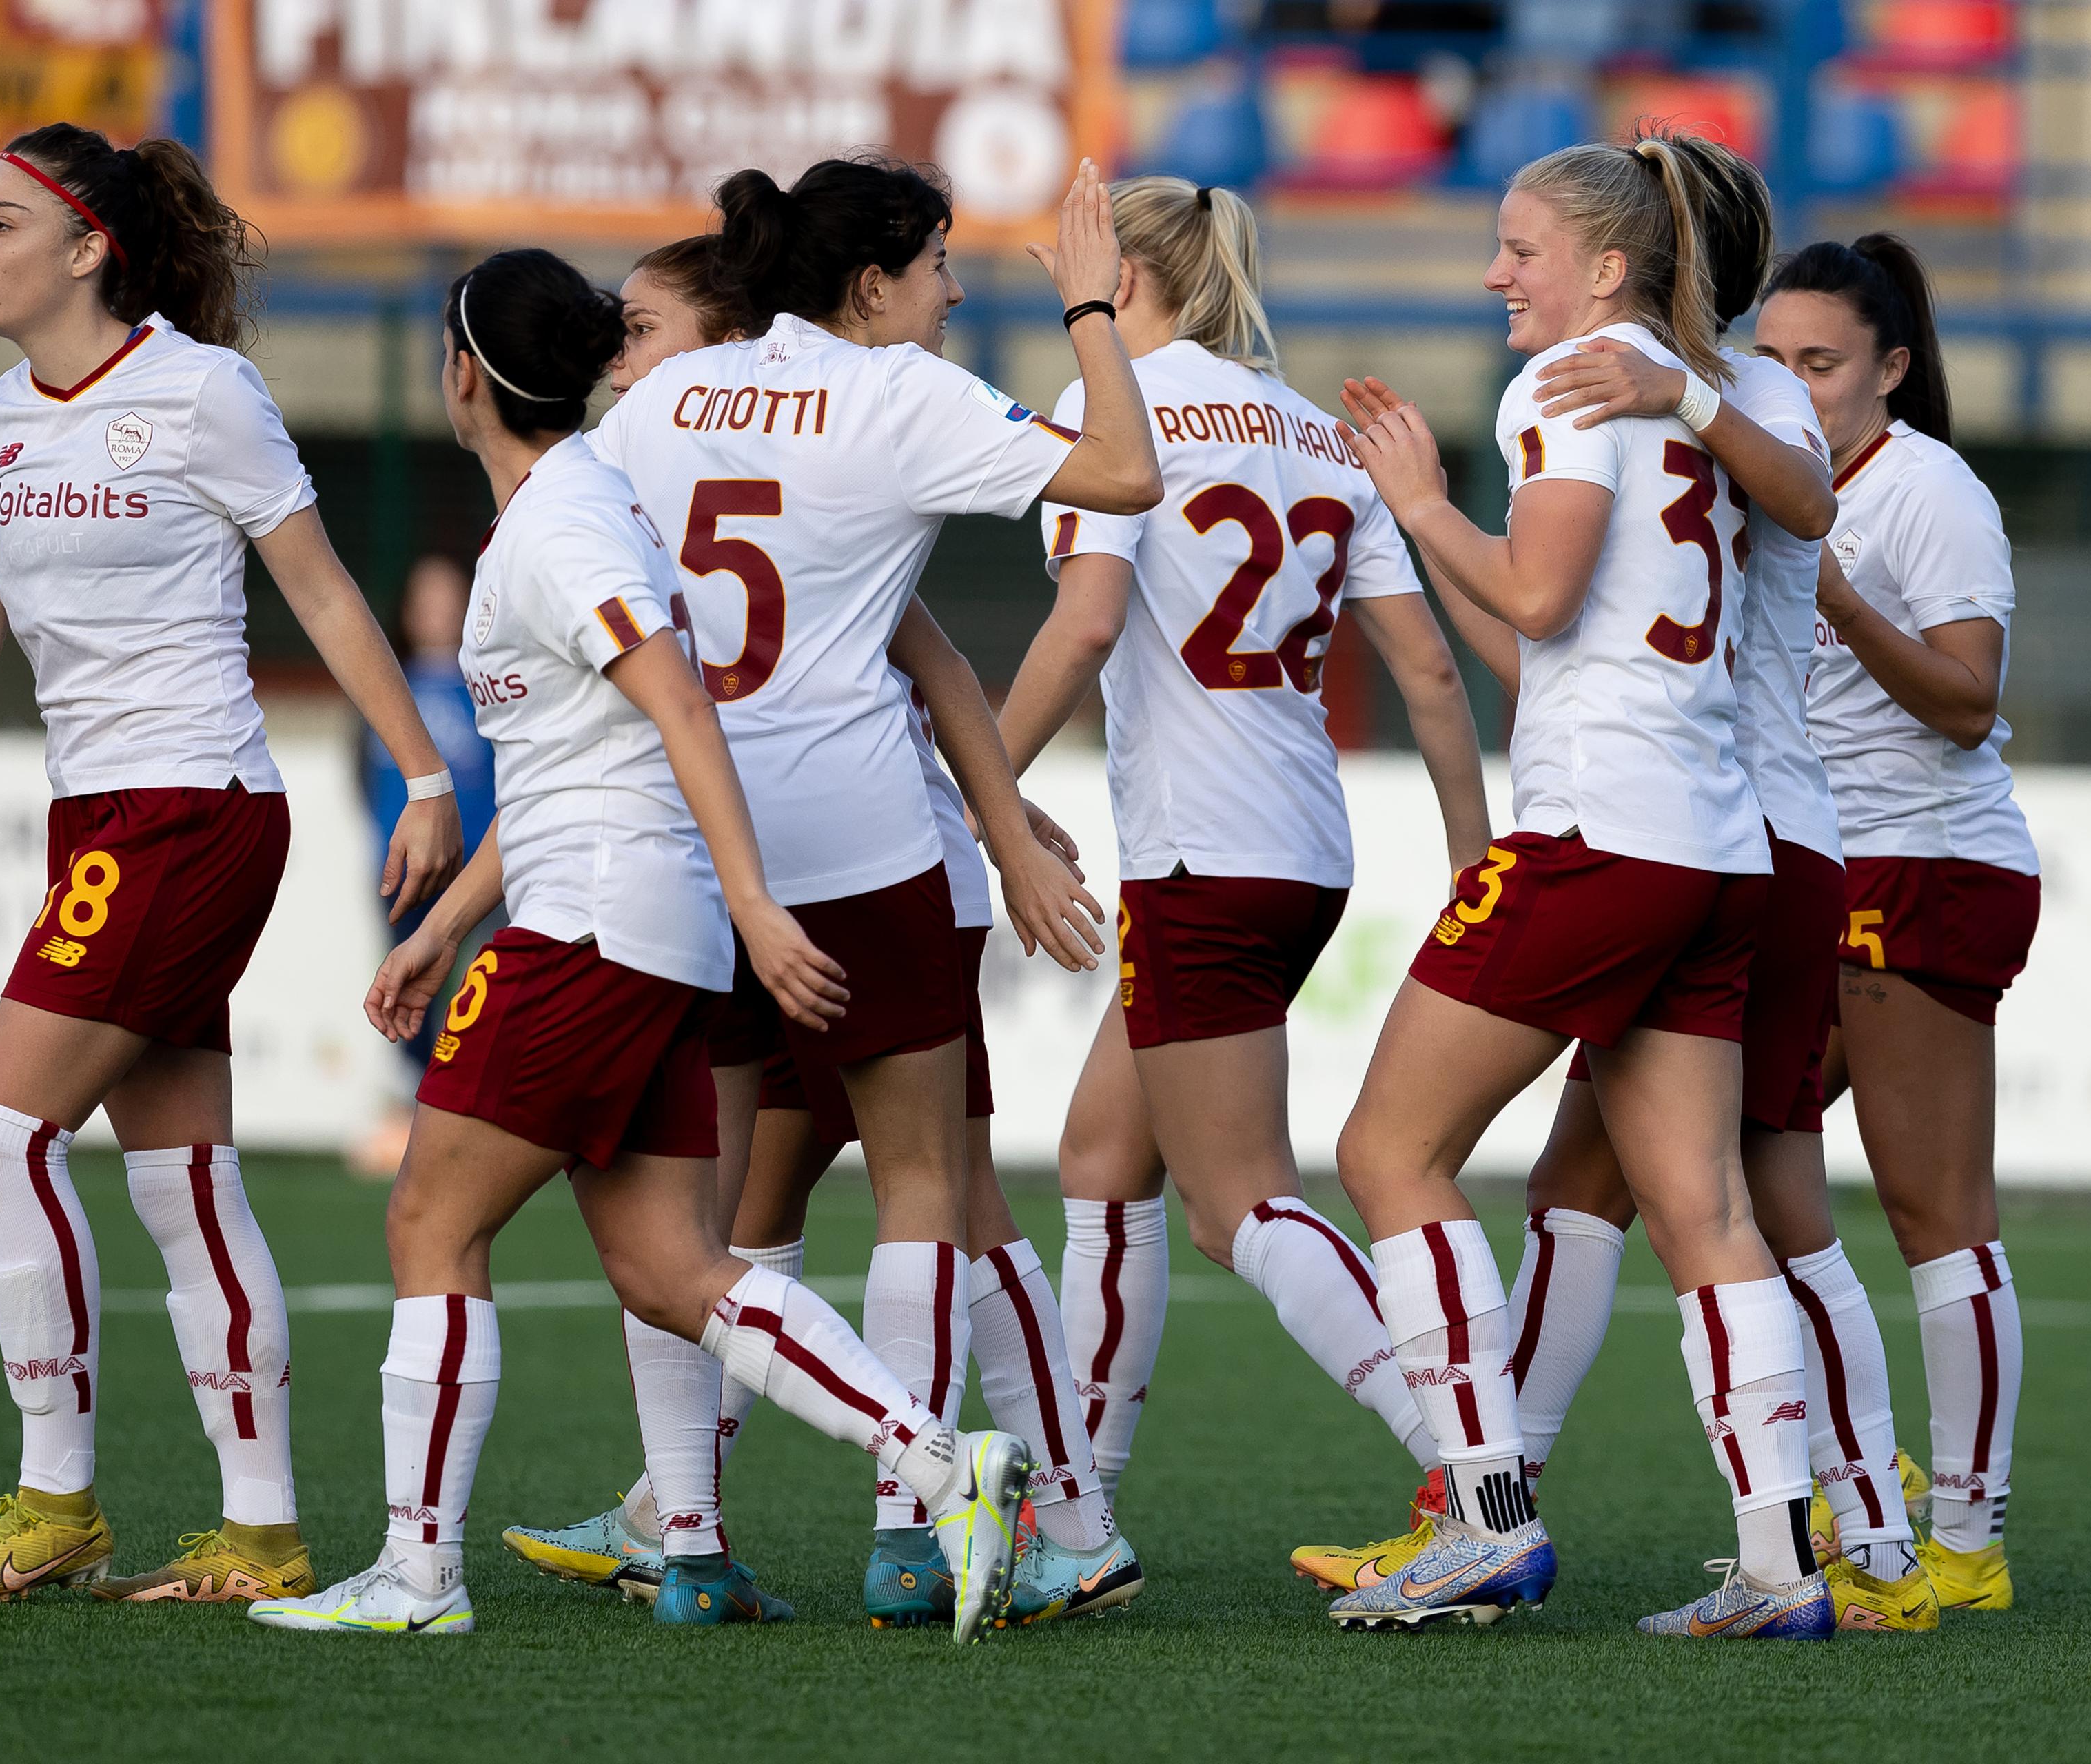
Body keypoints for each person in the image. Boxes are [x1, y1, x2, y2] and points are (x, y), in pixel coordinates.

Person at [243, 248, 1036, 1643]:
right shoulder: (588, 499)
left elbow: (676, 703)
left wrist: (756, 902)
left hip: (598, 925)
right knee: (673, 1265)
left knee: (432, 1218)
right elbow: (582, 747)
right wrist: (448, 918)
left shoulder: (562, 525)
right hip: (633, 919)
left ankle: (419, 1576)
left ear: (465, 375)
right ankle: (936, 1458)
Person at [0, 123, 464, 1603]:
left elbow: (330, 599)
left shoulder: (206, 391)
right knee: (183, 1179)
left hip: (195, 808)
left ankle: (55, 1495)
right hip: (100, 816)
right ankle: (263, 1533)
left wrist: (422, 772)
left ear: (88, 248)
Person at [1312, 129, 1936, 1632]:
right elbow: (1768, 514)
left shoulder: (1568, 384)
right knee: (1707, 1206)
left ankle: (1487, 1512)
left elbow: (1540, 595)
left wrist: (1416, 502)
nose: (1493, 274)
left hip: (1608, 831)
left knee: (1388, 1150)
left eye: (1519, 247)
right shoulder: (1735, 394)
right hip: (1727, 840)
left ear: (1610, 264)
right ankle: (1787, 1566)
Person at [502, 238, 1133, 1626]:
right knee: (789, 1209)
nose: (626, 350)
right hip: (848, 864)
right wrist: (1007, 820)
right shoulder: (801, 438)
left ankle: (1017, 1517)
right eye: (621, 331)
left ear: (725, 334)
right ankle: (806, 1520)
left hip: (751, 871)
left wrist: (1006, 823)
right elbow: (934, 656)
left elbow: (923, 660)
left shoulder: (638, 459)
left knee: (868, 1202)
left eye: (647, 323)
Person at [991, 175, 1490, 1524]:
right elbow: (1433, 675)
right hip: (1299, 847)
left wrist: (971, 782)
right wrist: (1476, 857)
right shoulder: (1321, 434)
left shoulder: (1118, 420)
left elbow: (1084, 628)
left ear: (1126, 279)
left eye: (1078, 275)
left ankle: (1473, 1469)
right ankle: (1073, 1508)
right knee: (1103, 1156)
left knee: (1240, 1204)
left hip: (1205, 855)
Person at [1756, 232, 2037, 1614]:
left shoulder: (1925, 490)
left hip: (1923, 859)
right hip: (1818, 864)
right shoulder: (1769, 477)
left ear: (1891, 371)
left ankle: (1968, 1541)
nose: (1793, 387)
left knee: (1935, 1210)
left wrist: (1843, 598)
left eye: (1821, 363)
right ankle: (1857, 1482)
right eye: (1770, 359)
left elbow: (1968, 698)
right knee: (1750, 1170)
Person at [355, 554, 498, 1175]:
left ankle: (479, 1116)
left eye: (452, 598)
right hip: (405, 878)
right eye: (429, 599)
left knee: (481, 991)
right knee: (408, 990)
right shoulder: (389, 686)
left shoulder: (489, 686)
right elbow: (361, 773)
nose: (440, 612)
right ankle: (417, 1111)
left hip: (483, 877)